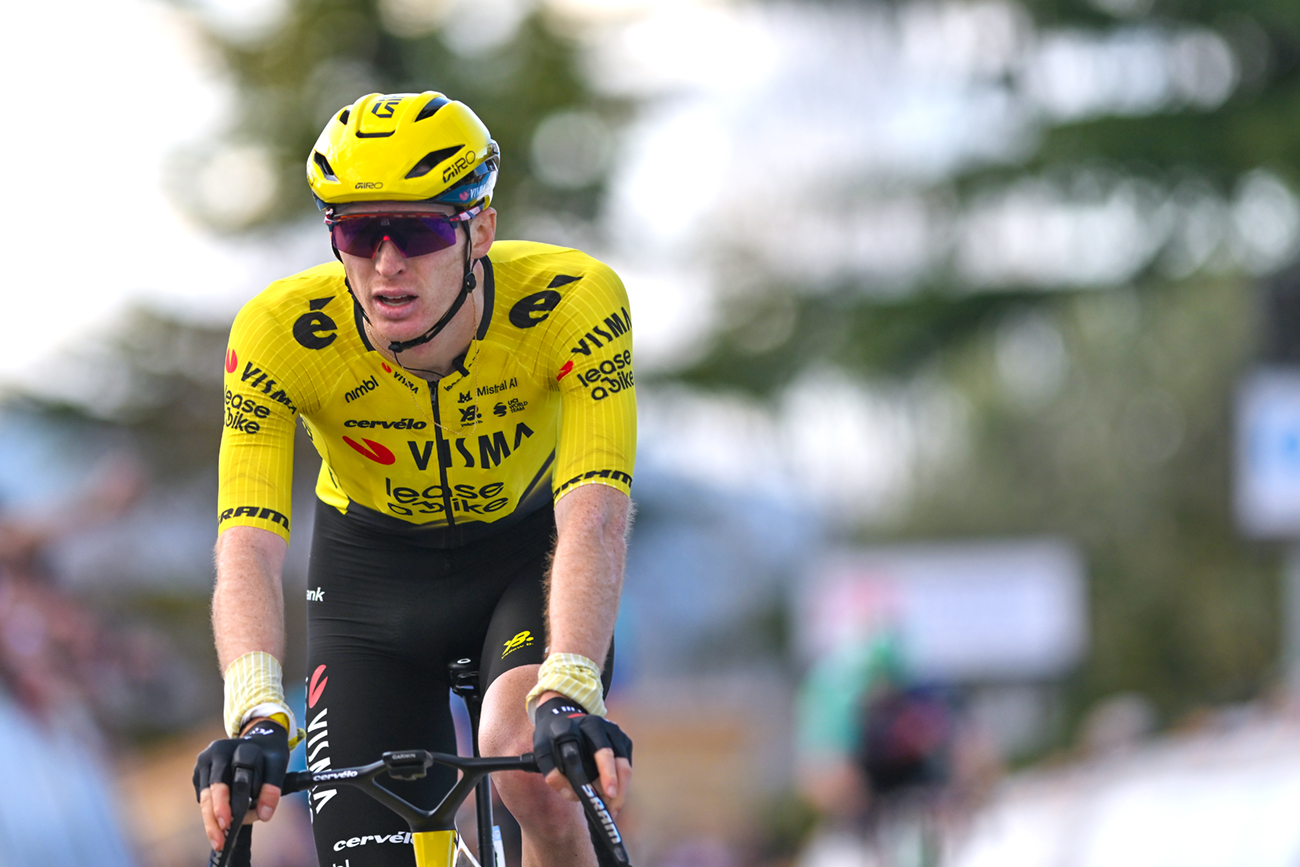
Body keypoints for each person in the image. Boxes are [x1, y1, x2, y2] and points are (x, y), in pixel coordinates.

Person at [193, 90, 636, 867]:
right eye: (359, 232)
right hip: (370, 582)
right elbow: (246, 548)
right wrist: (256, 712)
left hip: (523, 559)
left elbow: (595, 512)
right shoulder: (278, 334)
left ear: (481, 231)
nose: (386, 262)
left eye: (421, 229)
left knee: (525, 751)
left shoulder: (572, 301)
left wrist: (570, 687)